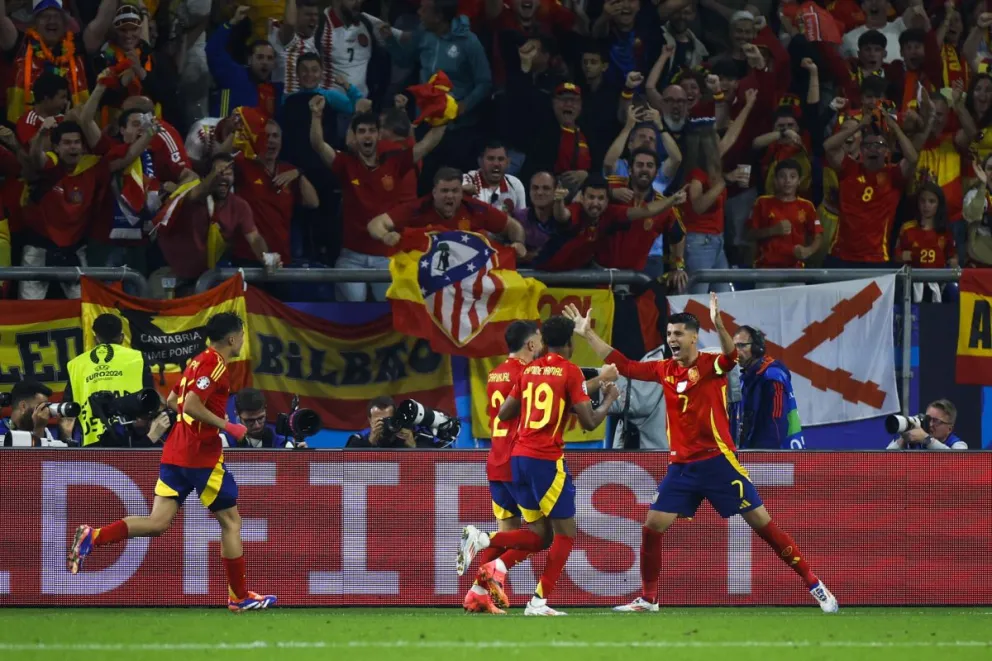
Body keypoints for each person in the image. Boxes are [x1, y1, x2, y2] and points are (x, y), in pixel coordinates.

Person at [562, 295, 838, 614]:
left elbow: (731, 357)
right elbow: (623, 365)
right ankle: (649, 599)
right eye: (668, 335)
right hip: (681, 468)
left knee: (763, 525)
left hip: (718, 463)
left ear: (693, 337)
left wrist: (719, 325)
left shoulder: (710, 365)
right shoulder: (663, 370)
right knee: (652, 527)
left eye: (678, 334)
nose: (672, 340)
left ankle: (814, 584)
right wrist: (587, 333)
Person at [67, 313, 277, 613]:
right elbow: (190, 404)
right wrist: (227, 426)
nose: (243, 339)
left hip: (175, 452)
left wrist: (210, 415)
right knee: (231, 522)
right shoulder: (215, 364)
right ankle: (239, 596)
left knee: (157, 523)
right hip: (200, 455)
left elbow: (173, 400)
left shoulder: (196, 361)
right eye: (242, 334)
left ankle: (94, 536)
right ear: (232, 338)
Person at [456, 316, 620, 617]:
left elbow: (505, 412)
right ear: (570, 343)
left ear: (543, 342)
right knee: (563, 533)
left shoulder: (519, 371)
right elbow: (587, 420)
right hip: (542, 458)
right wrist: (608, 398)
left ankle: (481, 585)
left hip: (510, 459)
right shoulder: (564, 371)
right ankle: (535, 600)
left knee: (537, 535)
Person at [64, 313, 155, 447]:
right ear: (122, 337)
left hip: (91, 440)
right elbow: (150, 399)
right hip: (130, 436)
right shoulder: (138, 358)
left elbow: (67, 411)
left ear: (96, 339)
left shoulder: (76, 364)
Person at [732, 326, 806, 450]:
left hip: (778, 457)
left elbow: (776, 425)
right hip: (753, 454)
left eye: (741, 345)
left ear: (757, 348)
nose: (736, 351)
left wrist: (762, 457)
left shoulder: (773, 377)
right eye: (734, 347)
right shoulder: (745, 379)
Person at [344, 396, 440, 448]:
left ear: (396, 417)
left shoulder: (414, 435)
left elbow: (433, 467)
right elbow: (348, 470)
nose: (385, 424)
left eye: (388, 419)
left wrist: (413, 446)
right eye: (379, 420)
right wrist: (370, 442)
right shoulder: (358, 441)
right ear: (370, 420)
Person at [0, 380, 71, 447]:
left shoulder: (44, 430)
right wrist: (39, 429)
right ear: (23, 406)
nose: (45, 411)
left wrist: (65, 434)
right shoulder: (2, 430)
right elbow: (25, 458)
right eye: (40, 406)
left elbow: (48, 458)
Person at [886, 400, 967, 450]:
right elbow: (884, 460)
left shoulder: (958, 445)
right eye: (928, 419)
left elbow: (957, 462)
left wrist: (927, 440)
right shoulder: (917, 440)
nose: (930, 424)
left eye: (936, 421)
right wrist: (903, 439)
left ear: (950, 429)